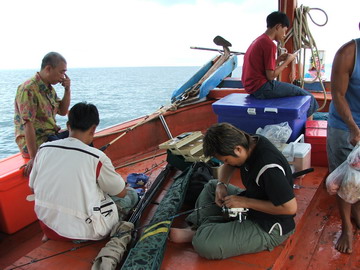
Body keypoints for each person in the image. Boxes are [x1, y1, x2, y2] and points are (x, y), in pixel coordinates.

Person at [169, 123, 297, 259]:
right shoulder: (248, 141)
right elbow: (228, 165)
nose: (226, 162)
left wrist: (246, 202)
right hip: (255, 201)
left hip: (272, 225)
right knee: (212, 186)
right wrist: (221, 185)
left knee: (204, 245)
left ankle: (201, 234)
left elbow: (290, 208)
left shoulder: (269, 168)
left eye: (225, 159)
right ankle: (200, 229)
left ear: (238, 149)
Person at [29, 102, 138, 241]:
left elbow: (33, 188)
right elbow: (121, 192)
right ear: (93, 129)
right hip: (85, 232)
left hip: (49, 228)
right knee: (132, 195)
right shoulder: (96, 157)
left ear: (68, 126)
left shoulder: (43, 149)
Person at [241, 11, 318, 118]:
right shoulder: (269, 44)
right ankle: (307, 130)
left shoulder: (258, 40)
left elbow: (260, 67)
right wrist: (288, 61)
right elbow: (271, 76)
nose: (284, 34)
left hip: (251, 87)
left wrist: (278, 60)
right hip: (262, 88)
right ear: (278, 26)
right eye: (284, 30)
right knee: (309, 98)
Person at [327, 27, 360, 254]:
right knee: (345, 181)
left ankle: (356, 211)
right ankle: (347, 228)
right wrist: (352, 127)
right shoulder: (348, 53)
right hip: (344, 124)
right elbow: (338, 94)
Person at [14, 52, 71, 176]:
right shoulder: (28, 89)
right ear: (48, 69)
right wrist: (34, 158)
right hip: (38, 141)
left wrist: (67, 90)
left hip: (50, 136)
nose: (63, 76)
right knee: (70, 148)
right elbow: (27, 125)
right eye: (61, 72)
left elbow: (62, 111)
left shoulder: (49, 88)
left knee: (80, 134)